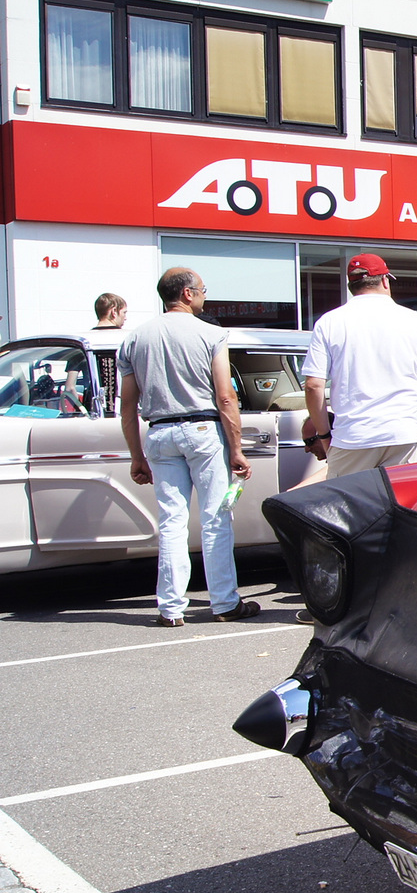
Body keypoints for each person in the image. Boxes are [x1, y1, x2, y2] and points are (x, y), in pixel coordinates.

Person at [116, 268, 258, 627]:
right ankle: (224, 602)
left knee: (172, 521)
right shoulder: (211, 334)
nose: (205, 296)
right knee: (215, 518)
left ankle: (170, 608)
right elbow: (225, 397)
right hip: (203, 429)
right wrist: (237, 448)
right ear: (187, 294)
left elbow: (127, 405)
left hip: (159, 432)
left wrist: (136, 456)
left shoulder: (135, 338)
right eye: (203, 289)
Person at [302, 254, 417, 478]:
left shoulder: (329, 322)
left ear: (351, 286)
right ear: (385, 281)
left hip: (352, 437)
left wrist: (324, 436)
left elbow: (313, 386)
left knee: (348, 500)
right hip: (401, 434)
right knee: (398, 498)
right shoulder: (414, 321)